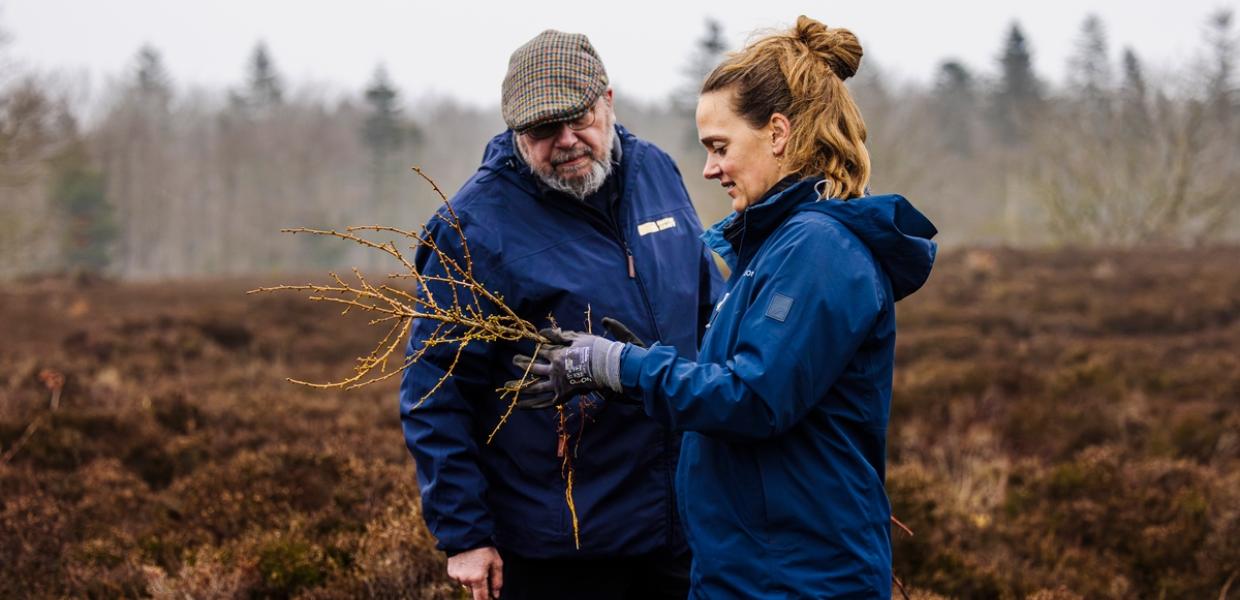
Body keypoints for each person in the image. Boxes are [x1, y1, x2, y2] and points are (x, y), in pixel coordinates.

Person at [516, 16, 938, 599]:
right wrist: (633, 371)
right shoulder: (777, 247)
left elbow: (754, 397)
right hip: (753, 570)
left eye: (719, 147)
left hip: (799, 579)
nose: (710, 168)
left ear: (779, 133)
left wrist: (622, 367)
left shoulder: (820, 251)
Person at [399, 30, 723, 600]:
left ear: (609, 100)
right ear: (514, 131)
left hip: (684, 523)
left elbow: (710, 316)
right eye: (543, 130)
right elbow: (435, 391)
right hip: (562, 544)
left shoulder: (659, 173)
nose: (568, 140)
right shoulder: (471, 228)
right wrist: (464, 533)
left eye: (579, 118)